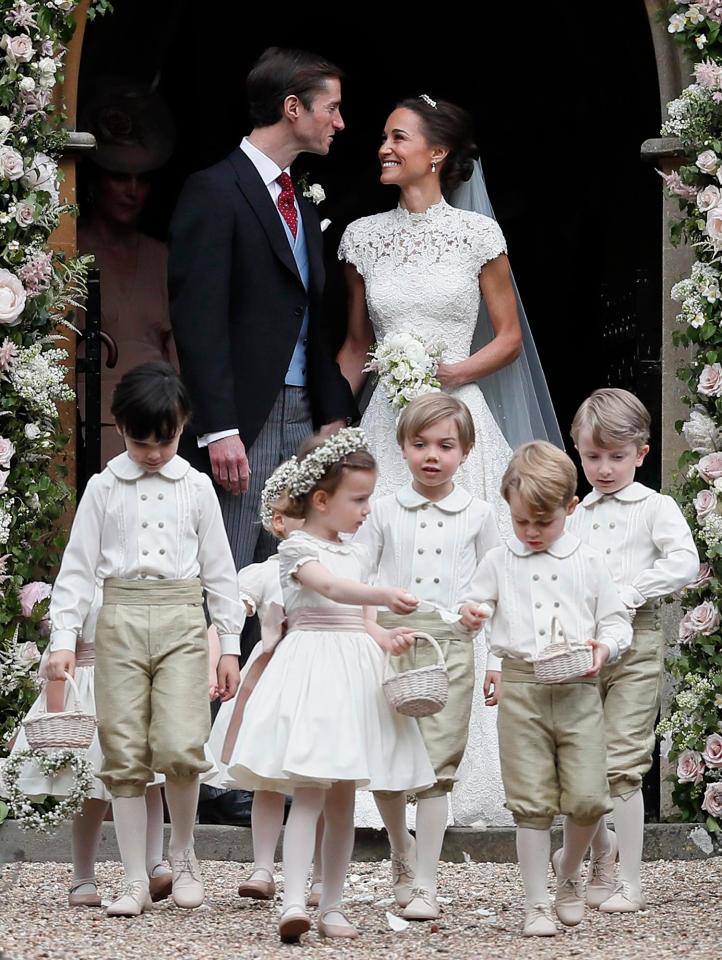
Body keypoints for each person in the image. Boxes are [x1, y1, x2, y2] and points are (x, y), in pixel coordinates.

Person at [336, 95, 553, 825]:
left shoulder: (476, 234)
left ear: (436, 154)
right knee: (377, 568)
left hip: (459, 421)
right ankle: (370, 775)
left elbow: (508, 337)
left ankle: (473, 766)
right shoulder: (363, 237)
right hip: (385, 423)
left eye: (398, 138)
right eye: (383, 137)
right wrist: (340, 426)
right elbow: (354, 341)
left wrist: (448, 372)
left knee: (472, 569)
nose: (383, 148)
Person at [46, 362, 242, 917]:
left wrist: (228, 644)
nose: (153, 452)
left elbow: (220, 570)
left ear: (183, 426)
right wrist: (64, 637)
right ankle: (133, 877)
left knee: (182, 744)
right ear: (119, 426)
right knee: (124, 751)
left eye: (166, 439)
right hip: (120, 620)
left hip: (181, 616)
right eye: (140, 440)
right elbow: (79, 567)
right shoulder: (104, 487)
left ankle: (183, 856)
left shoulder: (198, 487)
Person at [225, 429, 435, 942]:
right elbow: (330, 588)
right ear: (321, 500)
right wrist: (383, 590)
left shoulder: (359, 554)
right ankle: (293, 899)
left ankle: (333, 903)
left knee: (344, 796)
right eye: (358, 499)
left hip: (354, 676)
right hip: (312, 670)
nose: (367, 510)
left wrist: (388, 636)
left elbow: (364, 620)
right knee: (310, 789)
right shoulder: (297, 548)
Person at [169, 47, 357, 573]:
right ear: (293, 108)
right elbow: (197, 317)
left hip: (305, 417)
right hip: (244, 419)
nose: (340, 123)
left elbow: (312, 315)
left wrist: (332, 410)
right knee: (229, 578)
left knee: (295, 577)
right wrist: (219, 427)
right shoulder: (214, 190)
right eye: (333, 108)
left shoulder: (303, 197)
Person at [460, 442, 632, 936]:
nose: (532, 533)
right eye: (521, 523)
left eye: (544, 523)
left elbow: (616, 620)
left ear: (570, 508)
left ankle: (570, 872)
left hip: (579, 688)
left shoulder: (591, 561)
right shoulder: (498, 559)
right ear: (508, 510)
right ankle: (537, 902)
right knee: (531, 802)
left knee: (587, 797)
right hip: (522, 687)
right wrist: (472, 615)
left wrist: (605, 649)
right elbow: (473, 601)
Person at [354, 394, 501, 920]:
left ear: (465, 452)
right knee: (391, 762)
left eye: (445, 446)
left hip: (451, 646)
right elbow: (357, 577)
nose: (432, 456)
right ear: (402, 448)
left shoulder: (480, 513)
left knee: (440, 766)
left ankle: (426, 882)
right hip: (393, 643)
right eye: (420, 445)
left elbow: (494, 585)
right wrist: (372, 627)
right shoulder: (384, 511)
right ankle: (400, 849)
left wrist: (483, 629)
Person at [567, 389, 698, 912]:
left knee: (622, 759)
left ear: (641, 454)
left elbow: (684, 562)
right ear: (578, 450)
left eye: (616, 457)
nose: (603, 468)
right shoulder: (576, 514)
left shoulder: (654, 507)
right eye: (592, 456)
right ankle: (599, 851)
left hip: (636, 638)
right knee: (580, 761)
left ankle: (630, 882)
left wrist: (630, 590)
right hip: (582, 643)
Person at [207, 460, 325, 907]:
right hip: (273, 680)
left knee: (320, 777)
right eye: (304, 517)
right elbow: (231, 612)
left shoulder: (333, 568)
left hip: (319, 678)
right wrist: (221, 654)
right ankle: (261, 865)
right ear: (279, 522)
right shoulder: (262, 571)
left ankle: (317, 875)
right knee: (269, 779)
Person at [1, 648, 172, 908]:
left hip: (130, 679)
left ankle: (153, 865)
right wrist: (56, 713)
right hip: (86, 689)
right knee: (90, 785)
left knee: (149, 778)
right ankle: (83, 877)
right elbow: (63, 637)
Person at [78, 79, 177, 465]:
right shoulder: (69, 252)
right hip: (90, 429)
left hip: (160, 429)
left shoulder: (162, 257)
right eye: (120, 177)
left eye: (143, 179)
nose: (132, 190)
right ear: (96, 179)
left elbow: (179, 355)